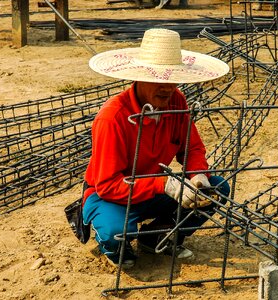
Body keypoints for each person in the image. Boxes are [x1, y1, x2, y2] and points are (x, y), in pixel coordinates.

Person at [82, 28, 230, 269]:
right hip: (111, 195)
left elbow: (191, 148)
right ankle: (115, 246)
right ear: (139, 77)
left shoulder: (176, 101)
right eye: (159, 79)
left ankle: (155, 237)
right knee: (116, 233)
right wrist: (164, 184)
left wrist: (198, 175)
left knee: (216, 188)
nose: (167, 87)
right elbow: (108, 185)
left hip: (153, 188)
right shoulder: (113, 118)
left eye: (172, 79)